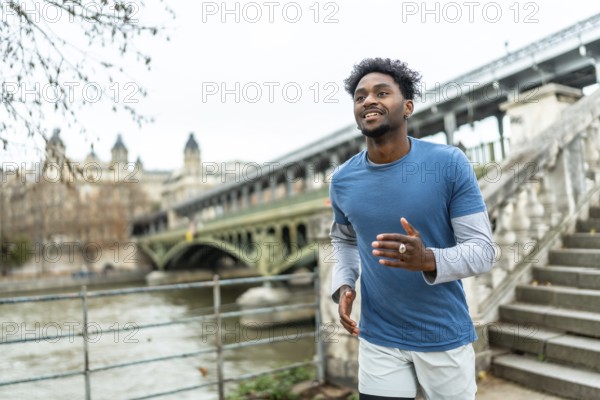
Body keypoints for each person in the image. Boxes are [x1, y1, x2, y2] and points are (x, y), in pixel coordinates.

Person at [329, 58, 494, 400]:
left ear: (407, 107)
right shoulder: (343, 180)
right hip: (378, 338)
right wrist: (344, 282)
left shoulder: (449, 164)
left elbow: (483, 252)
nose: (368, 101)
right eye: (360, 97)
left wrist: (428, 259)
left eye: (381, 93)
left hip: (443, 336)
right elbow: (344, 239)